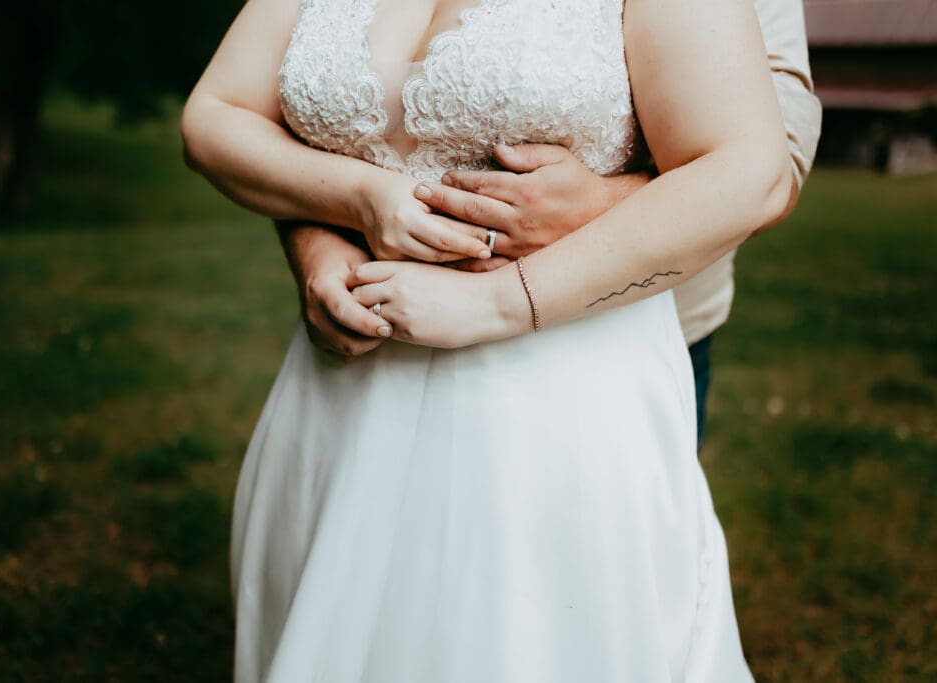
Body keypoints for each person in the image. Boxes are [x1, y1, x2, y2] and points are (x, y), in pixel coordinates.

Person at [182, 0, 797, 679]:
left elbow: (750, 171)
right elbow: (216, 114)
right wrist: (346, 209)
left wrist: (499, 302)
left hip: (552, 409)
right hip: (338, 403)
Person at [266, 0, 822, 447]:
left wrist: (600, 204)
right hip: (351, 362)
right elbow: (303, 120)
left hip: (592, 345)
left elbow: (770, 159)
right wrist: (314, 238)